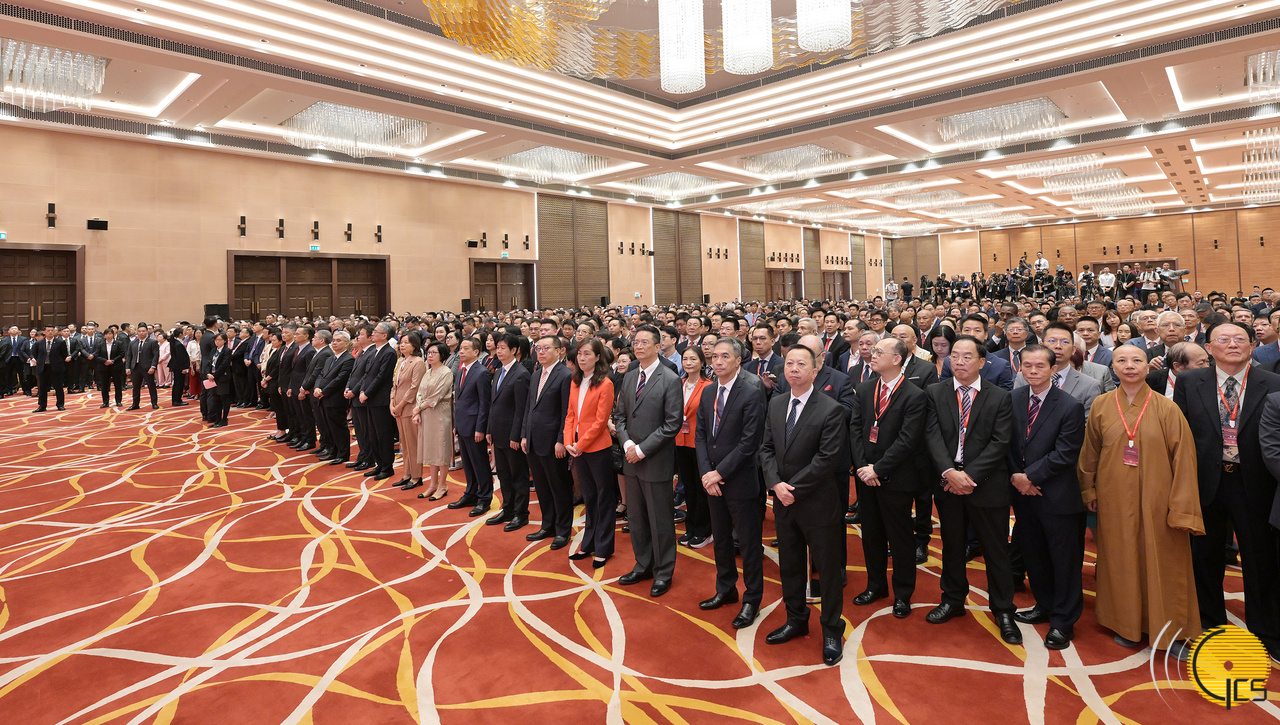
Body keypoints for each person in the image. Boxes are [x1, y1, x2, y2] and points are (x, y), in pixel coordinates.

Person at [1078, 344, 1203, 660]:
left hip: (1158, 500)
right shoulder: (1102, 405)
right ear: (1113, 368)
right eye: (1121, 360)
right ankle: (1126, 623)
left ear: (1149, 367)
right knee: (1120, 559)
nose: (1129, 365)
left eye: (1137, 360)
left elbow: (1184, 459)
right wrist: (1089, 490)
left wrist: (1182, 506)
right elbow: (1089, 453)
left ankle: (1171, 632)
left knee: (1164, 563)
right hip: (1113, 498)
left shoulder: (1167, 408)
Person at [1174, 321, 1280, 664]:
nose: (1232, 344)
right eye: (1223, 339)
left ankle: (1267, 632)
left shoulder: (1273, 382)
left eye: (1240, 339)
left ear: (1252, 345)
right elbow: (1182, 434)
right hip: (1206, 481)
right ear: (1208, 347)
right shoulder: (1190, 382)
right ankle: (1210, 625)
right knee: (1204, 557)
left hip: (1256, 483)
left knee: (1260, 560)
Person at [924, 334, 1021, 645]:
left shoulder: (999, 396)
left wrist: (969, 476)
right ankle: (953, 599)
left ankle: (1003, 609)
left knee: (996, 550)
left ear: (982, 362)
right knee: (952, 545)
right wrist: (950, 473)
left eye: (967, 357)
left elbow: (1000, 442)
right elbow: (931, 436)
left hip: (987, 485)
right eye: (955, 356)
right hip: (948, 483)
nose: (960, 361)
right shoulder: (935, 392)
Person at [760, 345, 848, 666]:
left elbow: (827, 460)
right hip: (783, 501)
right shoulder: (776, 402)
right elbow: (766, 448)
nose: (794, 369)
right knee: (790, 565)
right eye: (789, 363)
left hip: (817, 503)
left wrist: (792, 489)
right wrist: (775, 484)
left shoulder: (830, 409)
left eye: (801, 364)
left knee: (828, 570)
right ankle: (796, 619)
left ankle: (832, 630)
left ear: (815, 370)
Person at [1008, 344, 1087, 650]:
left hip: (1056, 496)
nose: (1033, 371)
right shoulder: (1013, 398)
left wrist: (1030, 477)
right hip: (1023, 495)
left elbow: (1065, 453)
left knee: (1063, 561)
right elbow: (1006, 443)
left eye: (1040, 366)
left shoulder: (1069, 405)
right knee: (1034, 554)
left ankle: (1064, 621)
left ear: (1054, 369)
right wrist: (1017, 477)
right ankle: (1044, 604)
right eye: (1027, 365)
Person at [851, 336, 929, 616]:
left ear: (897, 359)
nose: (872, 355)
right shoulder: (865, 388)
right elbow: (855, 429)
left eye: (879, 352)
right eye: (873, 351)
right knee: (871, 534)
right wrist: (863, 466)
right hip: (866, 476)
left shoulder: (914, 395)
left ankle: (903, 593)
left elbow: (908, 441)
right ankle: (876, 585)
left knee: (900, 539)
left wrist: (879, 469)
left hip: (897, 478)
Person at [695, 337, 767, 628]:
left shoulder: (751, 392)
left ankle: (752, 599)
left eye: (725, 356)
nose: (718, 361)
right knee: (721, 539)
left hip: (740, 480)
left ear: (738, 361)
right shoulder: (708, 391)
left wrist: (719, 473)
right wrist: (706, 473)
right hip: (712, 481)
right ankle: (726, 588)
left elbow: (749, 443)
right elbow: (701, 435)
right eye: (715, 356)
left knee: (748, 544)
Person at [613, 324, 683, 598]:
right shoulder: (630, 376)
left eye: (645, 342)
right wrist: (627, 444)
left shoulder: (670, 378)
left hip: (655, 459)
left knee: (660, 520)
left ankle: (663, 572)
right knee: (638, 518)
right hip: (631, 457)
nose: (639, 346)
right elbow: (620, 416)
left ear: (657, 346)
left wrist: (641, 449)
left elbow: (672, 424)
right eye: (636, 342)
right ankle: (643, 564)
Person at [563, 337, 617, 569]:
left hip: (597, 448)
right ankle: (589, 542)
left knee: (604, 498)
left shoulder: (605, 383)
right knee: (589, 497)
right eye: (579, 354)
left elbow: (600, 421)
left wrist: (581, 444)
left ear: (597, 357)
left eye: (587, 354)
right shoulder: (575, 381)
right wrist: (568, 441)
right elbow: (570, 415)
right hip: (578, 447)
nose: (582, 358)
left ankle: (604, 547)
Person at [522, 335, 573, 548]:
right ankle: (548, 524)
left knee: (559, 487)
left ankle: (563, 530)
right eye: (539, 348)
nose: (541, 352)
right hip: (534, 440)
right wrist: (524, 434)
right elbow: (529, 407)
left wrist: (562, 439)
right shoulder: (536, 374)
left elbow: (566, 412)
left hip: (554, 442)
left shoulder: (565, 375)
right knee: (542, 487)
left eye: (546, 348)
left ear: (559, 351)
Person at [486, 332, 532, 531]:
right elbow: (493, 404)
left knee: (518, 476)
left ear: (514, 350)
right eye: (498, 348)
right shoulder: (498, 372)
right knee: (503, 475)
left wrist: (516, 435)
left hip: (512, 435)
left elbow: (521, 409)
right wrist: (489, 429)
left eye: (503, 348)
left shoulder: (521, 374)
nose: (499, 351)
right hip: (498, 432)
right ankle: (508, 509)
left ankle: (521, 513)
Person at [448, 335, 493, 515]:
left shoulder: (482, 372)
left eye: (466, 349)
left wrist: (480, 428)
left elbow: (484, 404)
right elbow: (459, 401)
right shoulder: (461, 372)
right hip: (463, 425)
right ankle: (471, 493)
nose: (461, 351)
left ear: (476, 352)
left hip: (475, 426)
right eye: (461, 348)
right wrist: (457, 425)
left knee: (480, 463)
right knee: (468, 463)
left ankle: (485, 498)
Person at [676, 345, 713, 548]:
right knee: (688, 488)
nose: (688, 363)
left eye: (693, 359)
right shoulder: (678, 384)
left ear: (701, 362)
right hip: (680, 441)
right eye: (685, 359)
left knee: (701, 488)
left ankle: (704, 530)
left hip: (699, 443)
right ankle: (691, 527)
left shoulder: (708, 386)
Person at [413, 340, 455, 500]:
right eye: (428, 352)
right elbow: (419, 393)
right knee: (430, 448)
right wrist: (418, 410)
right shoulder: (428, 371)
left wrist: (419, 408)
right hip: (426, 414)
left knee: (441, 449)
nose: (430, 355)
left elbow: (437, 396)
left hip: (440, 414)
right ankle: (433, 484)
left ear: (442, 355)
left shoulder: (446, 372)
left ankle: (442, 484)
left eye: (433, 353)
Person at [359, 322, 400, 482]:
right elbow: (367, 374)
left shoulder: (389, 353)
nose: (372, 334)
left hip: (381, 399)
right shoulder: (375, 351)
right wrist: (362, 390)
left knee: (383, 435)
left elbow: (381, 377)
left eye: (376, 331)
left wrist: (367, 393)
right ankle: (379, 464)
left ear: (384, 335)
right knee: (373, 435)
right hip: (370, 398)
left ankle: (387, 467)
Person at [390, 332, 427, 491]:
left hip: (409, 407)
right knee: (404, 443)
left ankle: (416, 476)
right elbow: (395, 385)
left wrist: (400, 405)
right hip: (398, 406)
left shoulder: (418, 362)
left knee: (412, 443)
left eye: (406, 342)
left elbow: (414, 387)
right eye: (401, 342)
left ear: (414, 345)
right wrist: (392, 403)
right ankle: (407, 474)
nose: (402, 345)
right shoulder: (401, 361)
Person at [315, 331, 355, 466]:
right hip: (324, 397)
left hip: (336, 398)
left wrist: (324, 391)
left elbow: (340, 379)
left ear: (346, 343)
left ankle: (343, 454)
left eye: (338, 340)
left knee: (338, 427)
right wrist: (317, 388)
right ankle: (333, 451)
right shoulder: (330, 358)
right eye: (333, 340)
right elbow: (321, 375)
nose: (334, 343)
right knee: (328, 426)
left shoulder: (348, 359)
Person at [344, 325, 376, 470]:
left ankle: (368, 459)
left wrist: (354, 391)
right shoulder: (361, 352)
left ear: (370, 337)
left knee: (365, 430)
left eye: (361, 334)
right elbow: (353, 374)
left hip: (362, 396)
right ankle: (362, 456)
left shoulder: (372, 352)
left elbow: (366, 376)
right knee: (359, 430)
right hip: (354, 396)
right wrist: (348, 387)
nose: (357, 337)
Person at [287, 327, 318, 451]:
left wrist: (304, 389)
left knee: (307, 416)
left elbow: (309, 373)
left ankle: (309, 440)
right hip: (295, 386)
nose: (294, 336)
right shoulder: (298, 349)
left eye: (297, 334)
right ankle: (303, 438)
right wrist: (290, 386)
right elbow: (294, 371)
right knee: (299, 415)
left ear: (306, 336)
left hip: (303, 388)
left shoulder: (310, 350)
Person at [32, 324, 68, 412]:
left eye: (52, 330)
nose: (50, 332)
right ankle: (42, 405)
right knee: (42, 388)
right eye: (48, 330)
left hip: (56, 368)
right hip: (43, 368)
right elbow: (35, 354)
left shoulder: (60, 342)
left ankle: (60, 405)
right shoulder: (38, 343)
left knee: (58, 387)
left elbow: (64, 354)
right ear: (44, 332)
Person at [202, 332, 232, 427]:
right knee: (216, 398)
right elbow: (209, 363)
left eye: (219, 340)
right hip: (212, 377)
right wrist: (208, 373)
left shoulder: (227, 350)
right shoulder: (214, 350)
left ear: (225, 341)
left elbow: (224, 365)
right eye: (216, 340)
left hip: (222, 377)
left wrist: (214, 375)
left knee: (223, 397)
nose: (217, 342)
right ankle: (217, 419)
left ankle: (224, 419)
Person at [127, 324, 158, 411]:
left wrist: (153, 366)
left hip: (147, 367)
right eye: (139, 331)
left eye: (143, 331)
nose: (141, 333)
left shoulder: (152, 342)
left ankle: (154, 403)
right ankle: (135, 404)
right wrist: (127, 367)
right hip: (135, 367)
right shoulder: (133, 343)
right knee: (136, 387)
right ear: (137, 332)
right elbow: (129, 356)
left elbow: (156, 355)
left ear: (147, 332)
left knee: (151, 386)